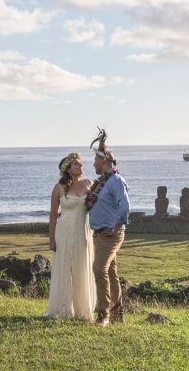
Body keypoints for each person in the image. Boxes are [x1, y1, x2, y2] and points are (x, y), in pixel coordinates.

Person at [44, 152, 96, 321]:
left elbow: (99, 204)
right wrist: (51, 238)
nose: (81, 166)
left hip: (83, 231)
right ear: (68, 168)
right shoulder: (59, 187)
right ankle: (63, 308)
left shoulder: (89, 184)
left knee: (82, 267)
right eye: (76, 164)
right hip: (63, 232)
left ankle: (82, 310)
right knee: (64, 268)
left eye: (81, 164)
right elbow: (53, 215)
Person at [86, 128, 130, 327]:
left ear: (104, 162)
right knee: (111, 273)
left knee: (99, 269)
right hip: (99, 234)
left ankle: (103, 315)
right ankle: (117, 313)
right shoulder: (100, 183)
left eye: (95, 160)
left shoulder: (116, 181)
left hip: (110, 234)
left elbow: (125, 205)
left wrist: (116, 227)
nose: (93, 164)